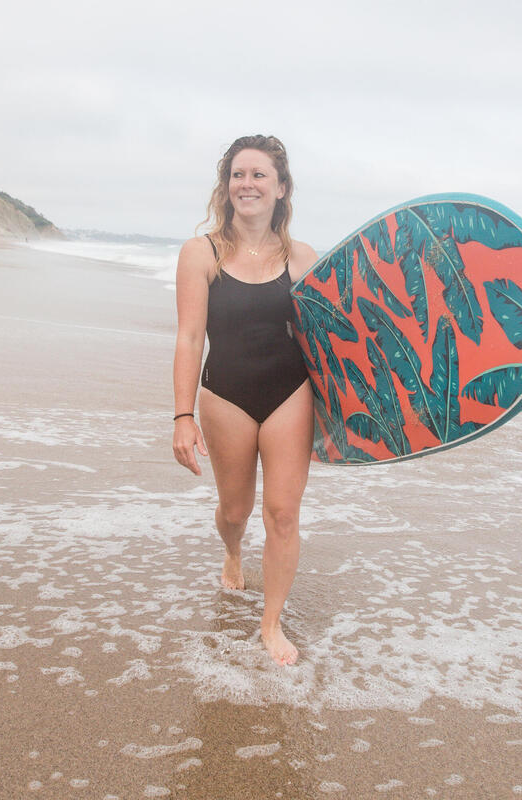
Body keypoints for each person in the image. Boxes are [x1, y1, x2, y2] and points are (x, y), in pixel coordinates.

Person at [172, 135, 317, 667]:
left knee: (282, 513)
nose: (247, 184)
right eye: (238, 174)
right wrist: (183, 416)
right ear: (225, 185)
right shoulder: (201, 252)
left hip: (290, 393)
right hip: (225, 395)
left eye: (259, 175)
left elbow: (338, 344)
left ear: (281, 188)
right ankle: (233, 552)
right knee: (235, 510)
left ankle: (271, 622)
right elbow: (189, 338)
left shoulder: (303, 259)